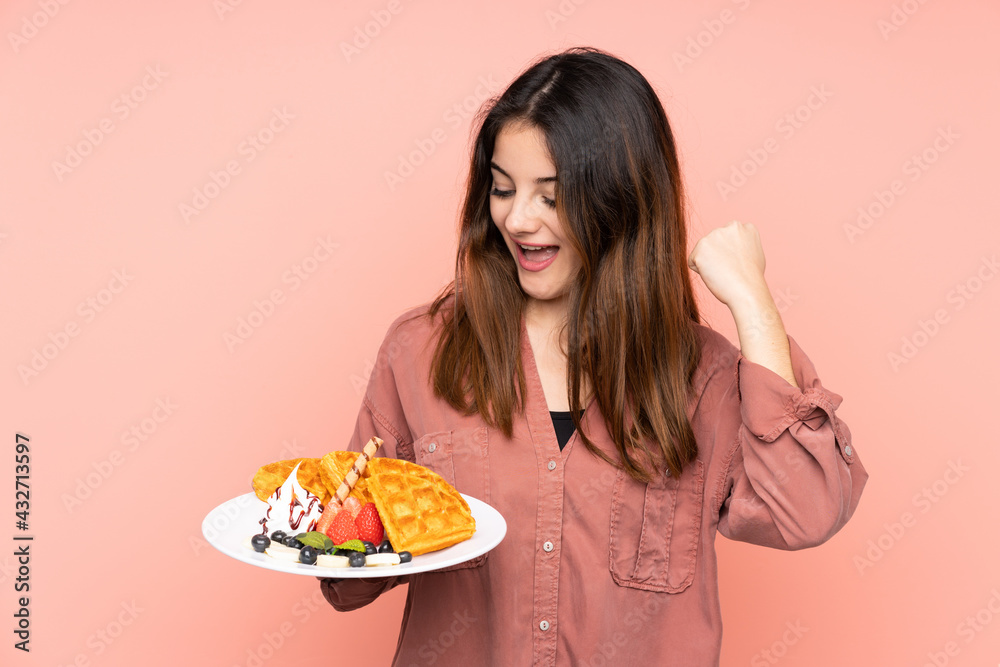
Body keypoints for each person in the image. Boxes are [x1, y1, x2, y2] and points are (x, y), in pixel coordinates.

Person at [319, 46, 868, 666]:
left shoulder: (705, 379)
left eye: (550, 197)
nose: (518, 219)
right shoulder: (420, 351)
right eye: (502, 188)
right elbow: (347, 579)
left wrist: (754, 302)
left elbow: (807, 513)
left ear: (621, 202)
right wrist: (328, 526)